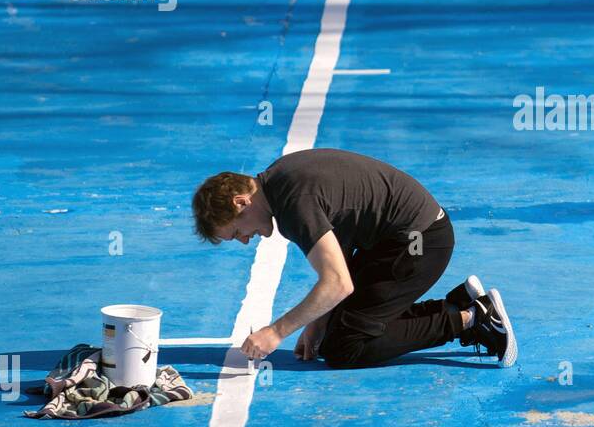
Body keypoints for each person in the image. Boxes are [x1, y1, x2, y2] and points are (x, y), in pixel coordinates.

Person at [191, 148, 516, 369]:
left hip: (420, 243)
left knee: (346, 347)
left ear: (241, 202)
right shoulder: (280, 178)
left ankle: (473, 319)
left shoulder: (293, 206)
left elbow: (337, 283)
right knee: (334, 327)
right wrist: (318, 322)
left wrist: (276, 332)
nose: (245, 241)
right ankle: (456, 306)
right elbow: (341, 249)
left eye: (236, 233)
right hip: (402, 239)